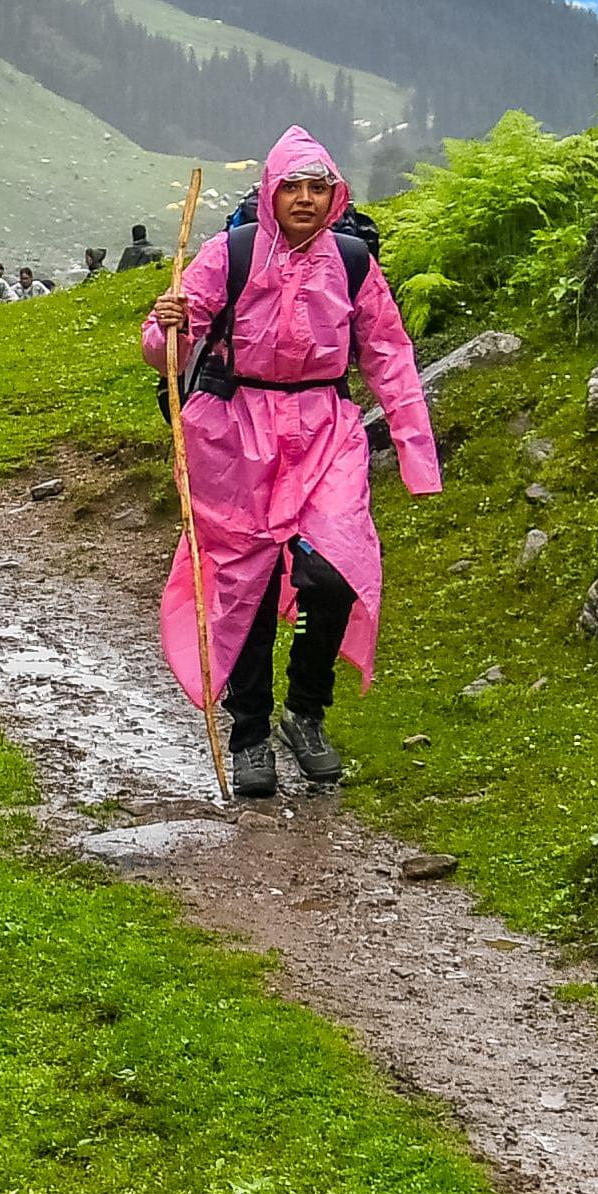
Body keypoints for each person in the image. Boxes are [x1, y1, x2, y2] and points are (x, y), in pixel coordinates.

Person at [138, 126, 438, 797]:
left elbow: (388, 356)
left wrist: (418, 455)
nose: (305, 198)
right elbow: (167, 351)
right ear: (271, 193)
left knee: (335, 569)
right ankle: (249, 735)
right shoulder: (227, 254)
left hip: (326, 429)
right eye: (292, 187)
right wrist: (166, 325)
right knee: (243, 581)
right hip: (234, 435)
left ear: (335, 195)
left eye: (318, 187)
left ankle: (306, 710)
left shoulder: (354, 263)